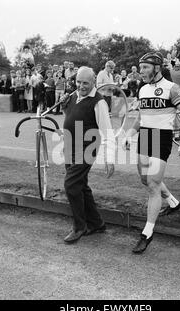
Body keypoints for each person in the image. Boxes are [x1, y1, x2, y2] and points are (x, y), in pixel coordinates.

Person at [122, 52, 180, 254]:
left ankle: (147, 232)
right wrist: (130, 134)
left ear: (157, 68)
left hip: (161, 138)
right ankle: (172, 201)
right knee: (145, 180)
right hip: (145, 136)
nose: (141, 71)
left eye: (145, 67)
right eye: (140, 67)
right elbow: (141, 117)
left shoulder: (172, 88)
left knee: (152, 185)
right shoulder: (143, 89)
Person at [61, 66, 116, 244]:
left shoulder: (99, 102)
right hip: (70, 145)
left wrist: (110, 159)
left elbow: (108, 132)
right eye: (78, 82)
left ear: (94, 82)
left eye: (85, 82)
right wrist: (64, 105)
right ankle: (97, 223)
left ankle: (80, 227)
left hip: (87, 147)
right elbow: (71, 115)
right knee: (80, 186)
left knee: (71, 184)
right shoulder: (72, 95)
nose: (81, 86)